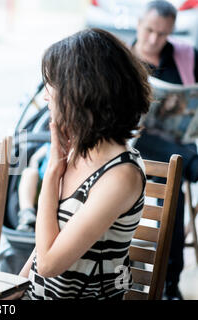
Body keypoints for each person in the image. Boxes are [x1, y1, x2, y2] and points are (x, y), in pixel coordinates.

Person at [12, 28, 151, 300]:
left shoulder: (121, 175)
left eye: (50, 84)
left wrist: (52, 175)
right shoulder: (79, 148)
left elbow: (51, 264)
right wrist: (12, 291)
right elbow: (45, 243)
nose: (45, 97)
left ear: (80, 90)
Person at [131, 0, 198, 300]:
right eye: (150, 30)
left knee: (176, 178)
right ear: (138, 23)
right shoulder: (123, 60)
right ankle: (170, 283)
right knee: (180, 171)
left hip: (178, 147)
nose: (155, 40)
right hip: (137, 147)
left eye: (163, 34)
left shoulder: (184, 55)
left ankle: (169, 282)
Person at [16, 142, 50, 232]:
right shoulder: (48, 145)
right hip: (41, 182)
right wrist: (34, 168)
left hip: (61, 183)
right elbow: (34, 159)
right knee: (29, 172)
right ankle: (27, 214)